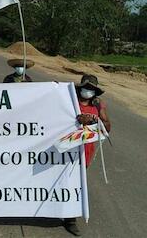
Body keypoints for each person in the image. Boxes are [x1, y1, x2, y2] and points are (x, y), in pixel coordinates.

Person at [64, 74, 111, 236]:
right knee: (65, 183)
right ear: (80, 88)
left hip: (85, 152)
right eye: (86, 88)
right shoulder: (70, 101)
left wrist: (94, 120)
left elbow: (107, 127)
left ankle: (71, 218)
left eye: (91, 89)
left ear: (95, 92)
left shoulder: (98, 106)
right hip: (66, 151)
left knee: (77, 185)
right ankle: (60, 211)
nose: (88, 91)